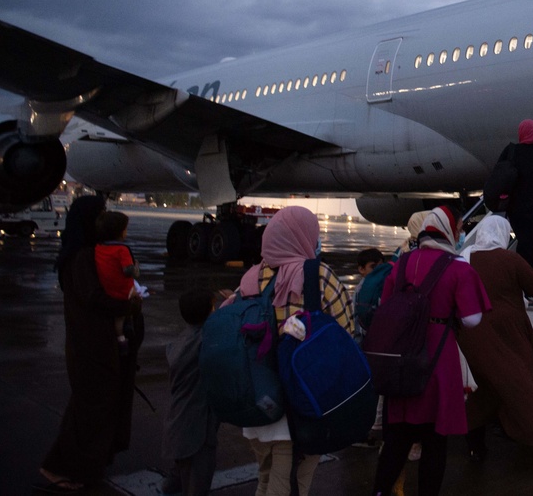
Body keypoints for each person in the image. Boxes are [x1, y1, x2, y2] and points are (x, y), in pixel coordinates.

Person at [371, 207, 491, 496]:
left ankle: (379, 491)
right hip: (437, 359)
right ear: (449, 232)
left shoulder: (400, 264)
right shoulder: (458, 267)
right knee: (435, 442)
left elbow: (385, 305)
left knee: (397, 440)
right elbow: (472, 319)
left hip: (400, 358)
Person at [234, 206, 352, 496]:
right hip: (301, 403)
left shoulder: (252, 277)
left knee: (266, 477)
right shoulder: (319, 276)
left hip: (258, 399)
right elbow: (346, 336)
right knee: (292, 485)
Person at [40, 195, 145, 493]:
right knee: (89, 411)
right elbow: (95, 299)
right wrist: (129, 307)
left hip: (92, 345)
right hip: (92, 348)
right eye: (101, 214)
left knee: (91, 409)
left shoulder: (81, 254)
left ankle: (80, 467)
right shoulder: (83, 257)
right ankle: (58, 468)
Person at [457, 215, 533, 459]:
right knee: (524, 385)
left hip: (471, 334)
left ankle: (472, 438)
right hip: (507, 333)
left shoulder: (464, 257)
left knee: (487, 386)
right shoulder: (508, 259)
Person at [162, 288, 220, 496]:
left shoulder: (182, 340)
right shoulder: (203, 342)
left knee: (179, 476)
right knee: (196, 483)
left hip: (179, 425)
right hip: (196, 432)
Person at [495, 119, 533, 272]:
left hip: (514, 208)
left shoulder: (511, 152)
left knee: (523, 241)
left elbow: (499, 172)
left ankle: (524, 279)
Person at [93, 211, 139, 356]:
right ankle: (124, 338)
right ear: (119, 232)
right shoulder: (122, 249)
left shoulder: (99, 248)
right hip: (123, 292)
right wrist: (136, 268)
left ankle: (120, 336)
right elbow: (128, 271)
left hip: (107, 290)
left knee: (116, 321)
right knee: (126, 312)